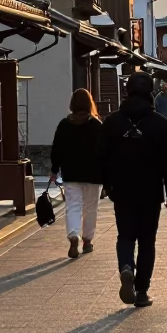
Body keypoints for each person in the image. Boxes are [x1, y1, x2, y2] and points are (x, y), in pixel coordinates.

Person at [97, 72, 167, 308]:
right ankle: (142, 290)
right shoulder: (160, 123)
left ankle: (125, 266)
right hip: (151, 190)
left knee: (125, 235)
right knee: (146, 240)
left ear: (127, 92)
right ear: (150, 93)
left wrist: (106, 184)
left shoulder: (112, 122)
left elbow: (100, 155)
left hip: (121, 189)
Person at [49, 89, 103, 259]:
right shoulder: (96, 125)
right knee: (90, 208)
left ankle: (74, 236)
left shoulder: (64, 125)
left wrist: (54, 169)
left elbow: (56, 149)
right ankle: (87, 240)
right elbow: (104, 150)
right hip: (94, 173)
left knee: (73, 206)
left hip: (71, 173)